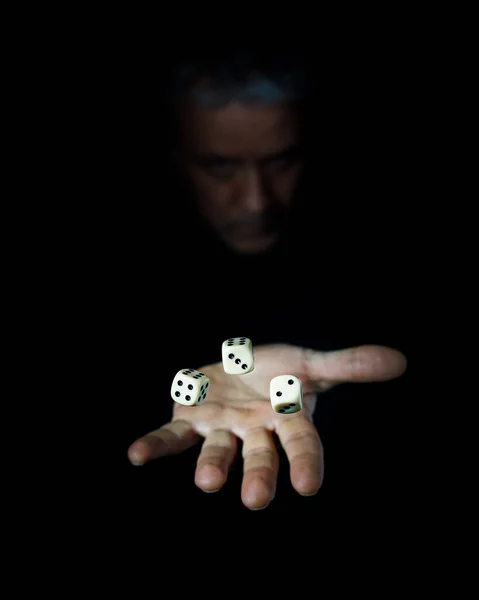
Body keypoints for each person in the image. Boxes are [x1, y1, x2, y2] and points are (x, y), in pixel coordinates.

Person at [118, 45, 409, 515]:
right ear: (175, 155)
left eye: (280, 161)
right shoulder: (140, 276)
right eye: (220, 167)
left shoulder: (369, 260)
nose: (256, 201)